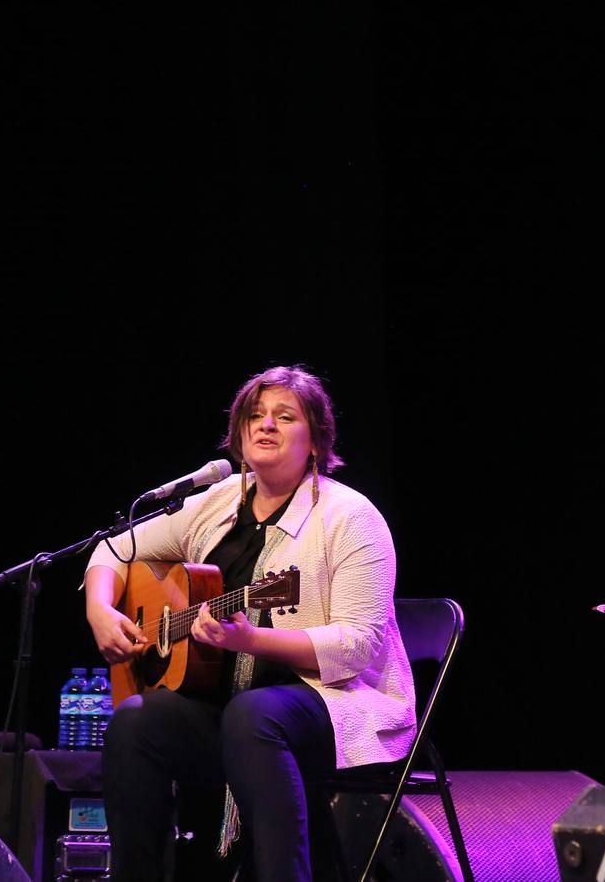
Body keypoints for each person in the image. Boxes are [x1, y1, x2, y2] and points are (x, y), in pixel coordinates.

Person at [83, 365, 414, 882]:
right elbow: (111, 550)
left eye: (285, 417)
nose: (265, 426)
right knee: (135, 721)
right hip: (229, 708)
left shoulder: (350, 517)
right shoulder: (215, 504)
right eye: (255, 416)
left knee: (254, 714)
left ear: (316, 441)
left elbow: (359, 645)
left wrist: (252, 639)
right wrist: (100, 609)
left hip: (334, 702)